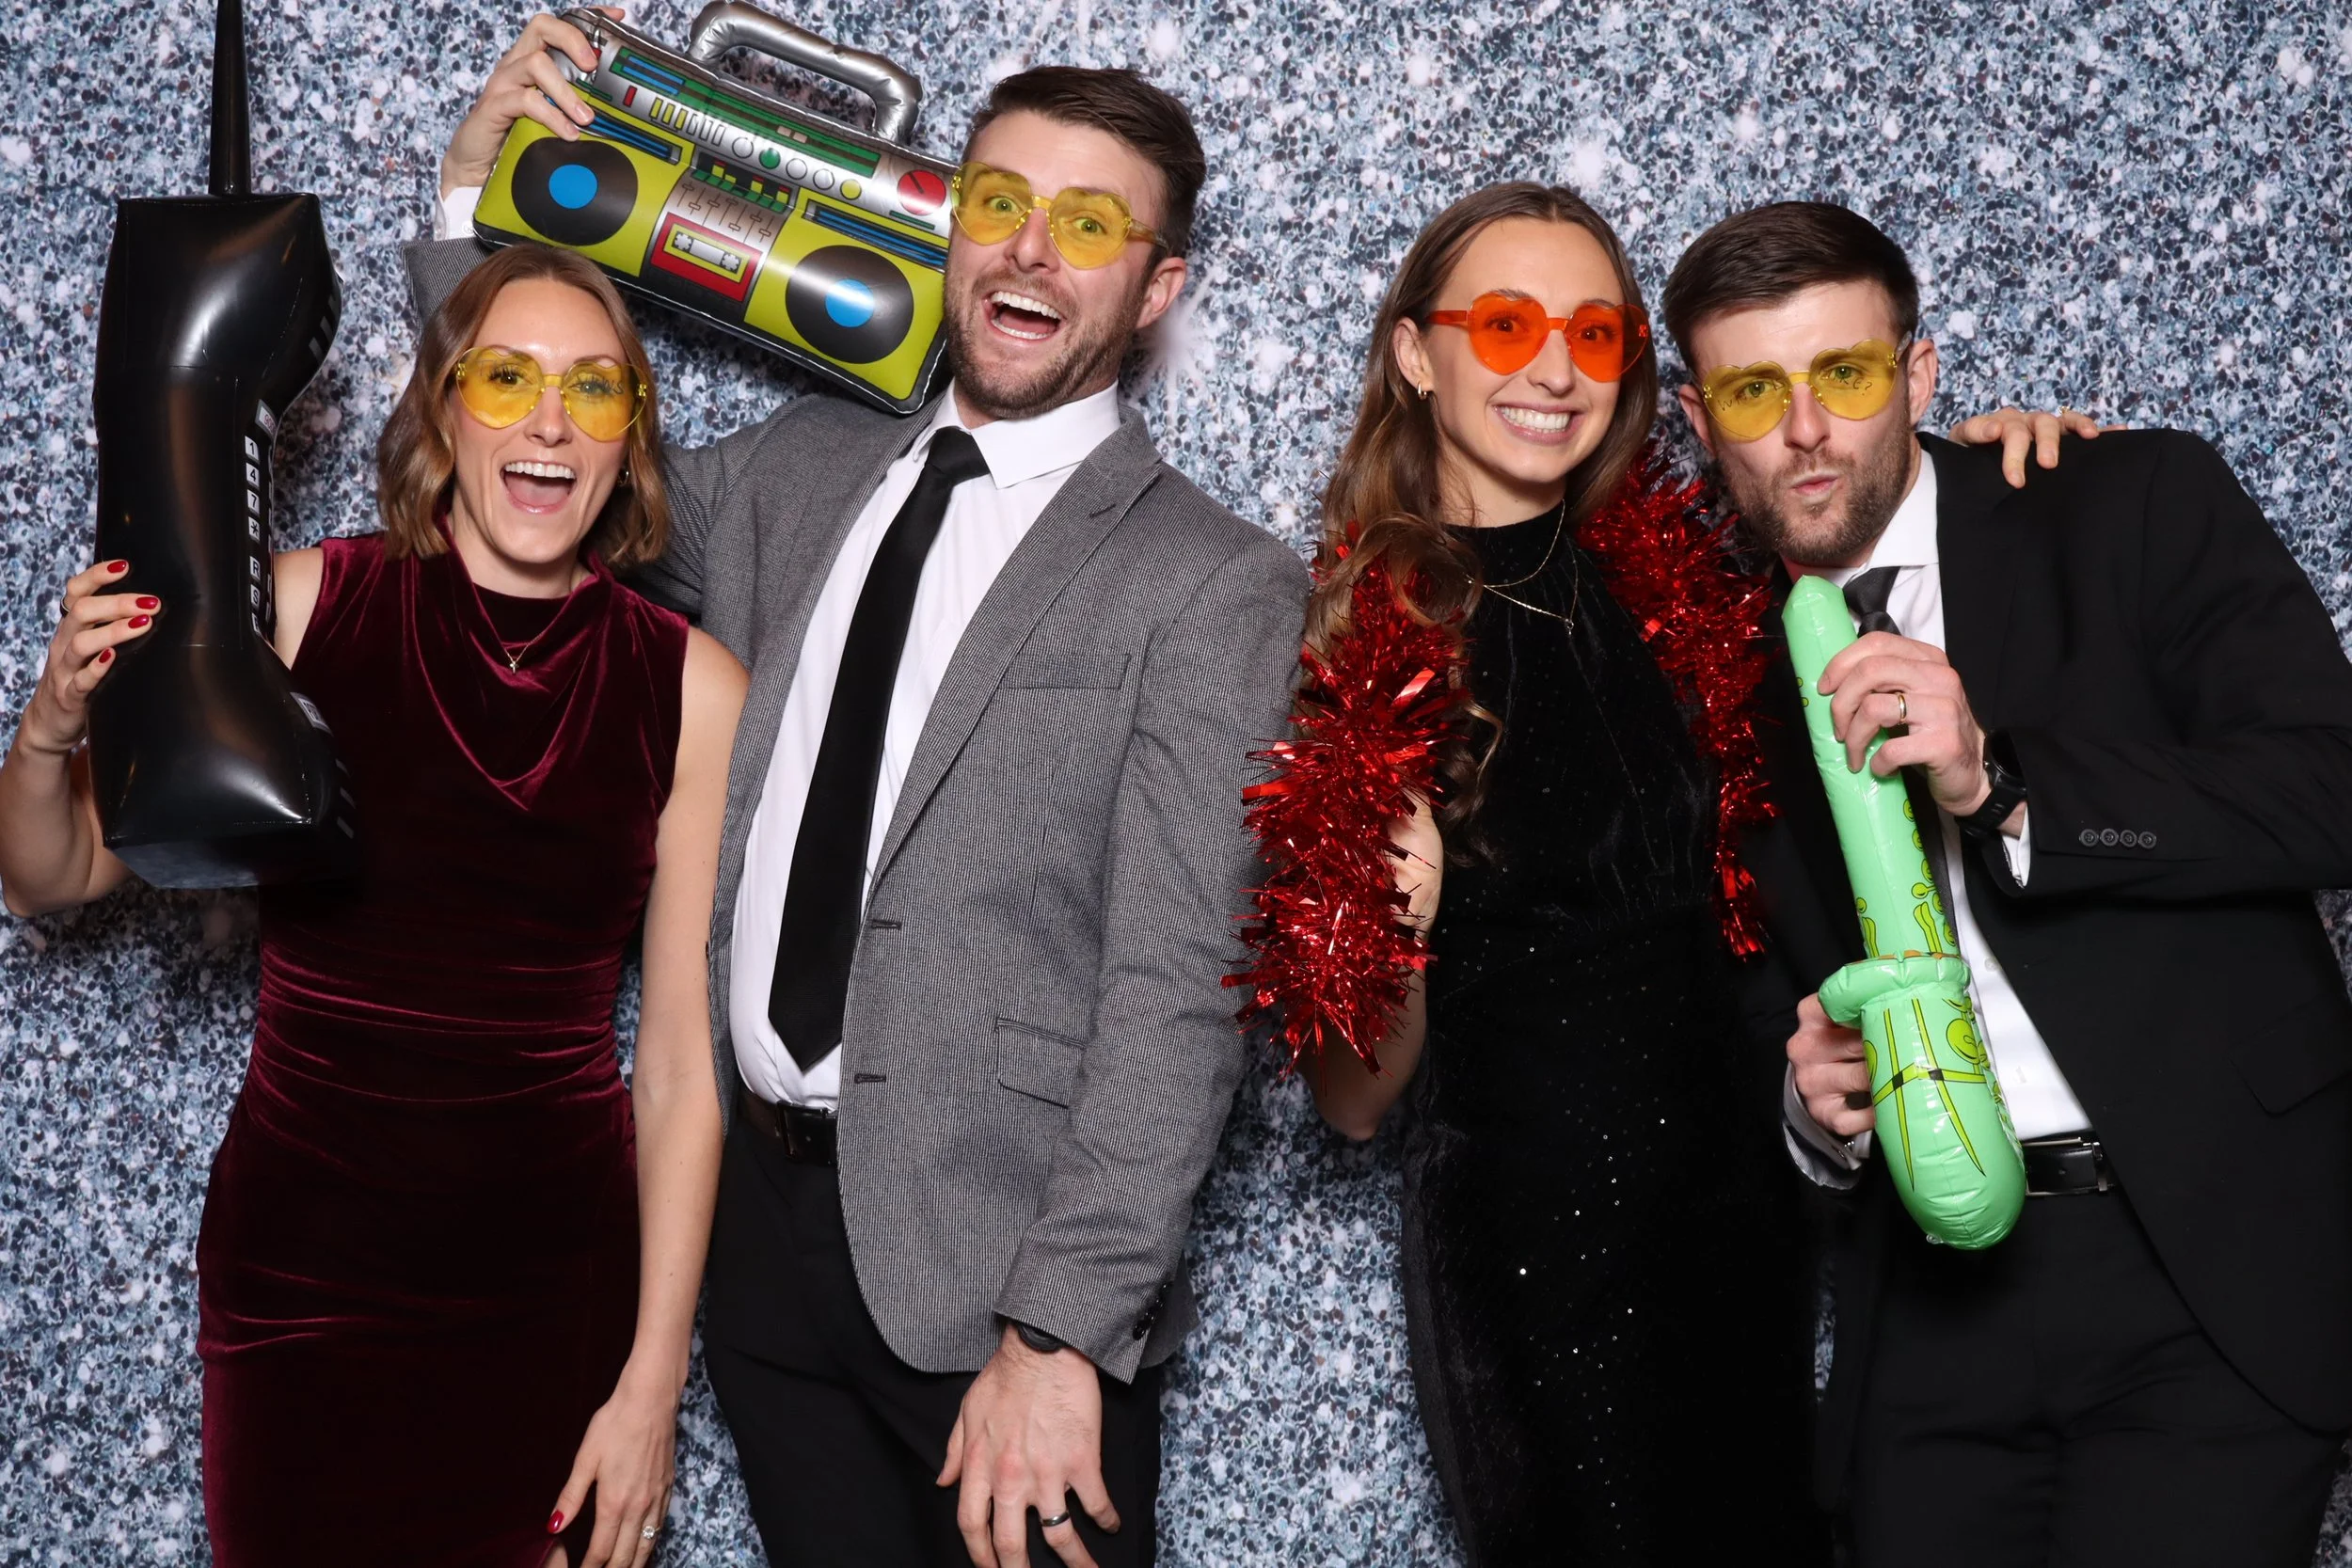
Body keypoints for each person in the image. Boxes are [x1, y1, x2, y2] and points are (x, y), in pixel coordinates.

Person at [419, 24, 1307, 1568]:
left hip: (998, 1291)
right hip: (764, 1251)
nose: (1029, 249)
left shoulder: (1211, 581)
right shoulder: (797, 470)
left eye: (1089, 223)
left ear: (1156, 287)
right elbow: (544, 480)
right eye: (997, 201)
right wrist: (466, 214)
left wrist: (1062, 1336)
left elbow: (1180, 989)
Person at [1288, 181, 2078, 1565]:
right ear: (1417, 351)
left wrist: (2024, 462)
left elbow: (1865, 499)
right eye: (1510, 323)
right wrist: (1393, 911)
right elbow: (1355, 1101)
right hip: (1543, 1258)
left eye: (1596, 336)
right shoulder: (1379, 641)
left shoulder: (1677, 575)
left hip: (1741, 1224)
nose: (1553, 368)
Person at [0, 242, 746, 1568]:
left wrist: (650, 1385)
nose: (549, 422)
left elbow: (683, 1071)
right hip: (307, 1282)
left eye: (596, 390)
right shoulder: (294, 608)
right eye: (506, 377)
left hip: (550, 1300)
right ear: (442, 405)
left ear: (631, 438)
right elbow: (52, 877)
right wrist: (56, 723)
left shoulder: (691, 687)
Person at [1662, 199, 2352, 1568]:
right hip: (1927, 1320)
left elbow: (2330, 786)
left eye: (1846, 376)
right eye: (1756, 390)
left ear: (1918, 375)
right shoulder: (1707, 672)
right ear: (1700, 421)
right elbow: (1732, 988)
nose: (1807, 430)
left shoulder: (2123, 503)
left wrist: (2011, 787)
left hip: (2201, 1272)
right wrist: (1806, 1107)